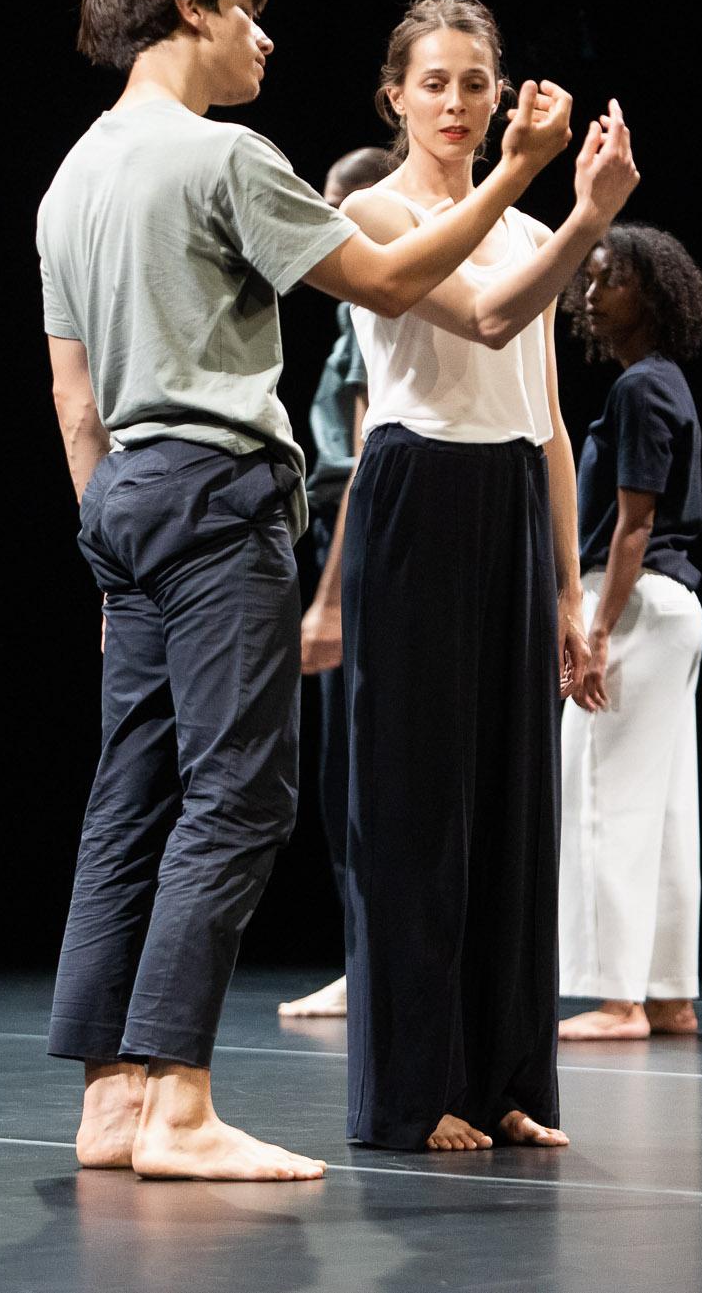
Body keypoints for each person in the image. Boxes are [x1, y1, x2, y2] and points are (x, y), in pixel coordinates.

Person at [37, 0, 578, 1182]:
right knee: (239, 795)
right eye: (246, 13)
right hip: (218, 487)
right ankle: (178, 1103)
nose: (264, 38)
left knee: (131, 798)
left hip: (122, 495)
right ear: (187, 12)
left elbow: (74, 403)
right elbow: (388, 283)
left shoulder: (69, 179)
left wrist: (110, 551)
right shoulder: (228, 155)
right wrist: (517, 175)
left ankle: (110, 1101)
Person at [334, 0, 639, 1151]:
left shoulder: (521, 223)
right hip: (419, 492)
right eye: (433, 82)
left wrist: (570, 595)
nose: (455, 103)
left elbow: (551, 423)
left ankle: (504, 1073)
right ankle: (419, 1089)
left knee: (511, 805)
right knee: (419, 812)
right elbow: (485, 319)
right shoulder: (374, 208)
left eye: (475, 81)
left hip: (510, 498)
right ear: (394, 96)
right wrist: (572, 208)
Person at [552, 224, 702, 1041]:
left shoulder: (640, 390)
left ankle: (617, 996)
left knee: (599, 793)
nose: (589, 292)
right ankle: (666, 992)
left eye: (606, 278)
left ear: (647, 291)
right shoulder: (664, 383)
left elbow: (632, 525)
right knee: (661, 805)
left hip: (638, 605)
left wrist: (596, 630)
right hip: (667, 609)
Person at [279, 146, 395, 1023]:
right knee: (345, 761)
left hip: (352, 549)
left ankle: (370, 963)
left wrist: (328, 599)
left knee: (351, 762)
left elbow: (363, 464)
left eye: (333, 202)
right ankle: (367, 957)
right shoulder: (356, 312)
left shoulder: (367, 316)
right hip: (334, 540)